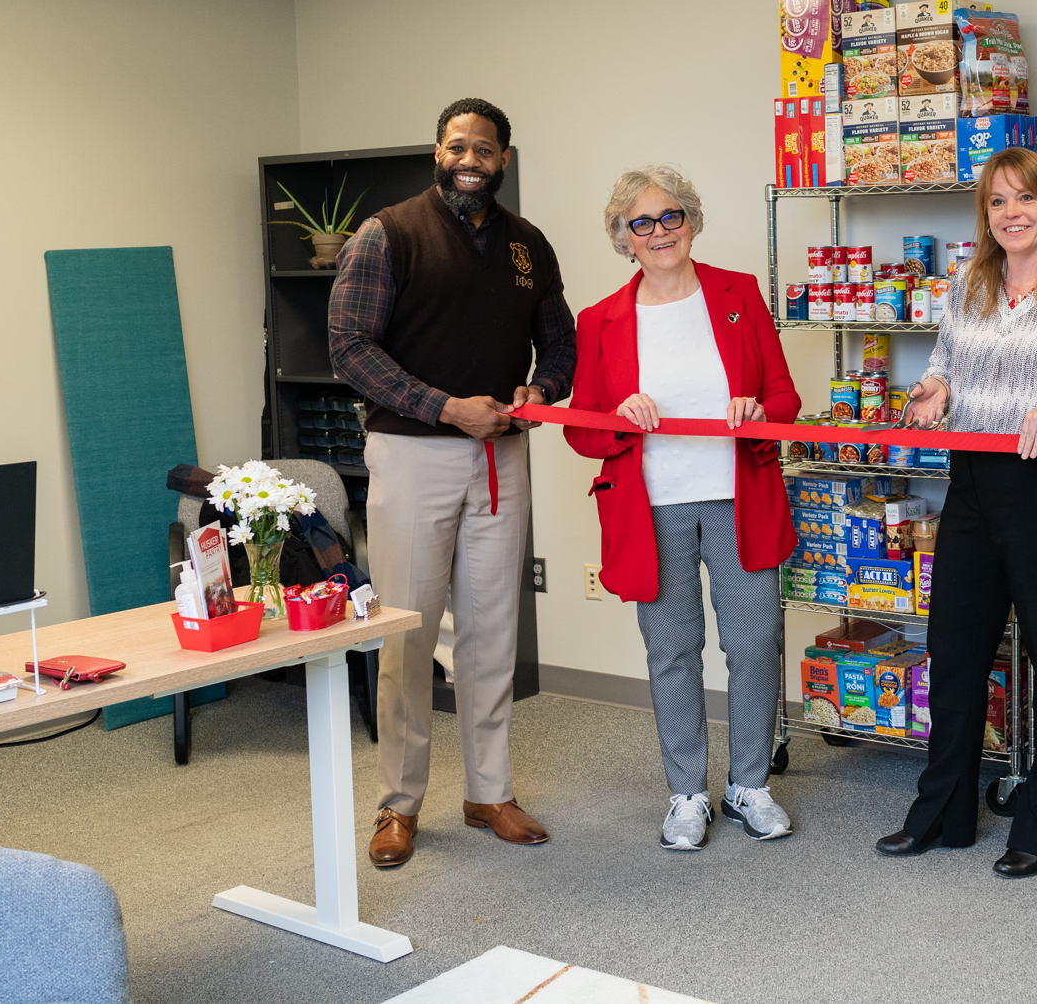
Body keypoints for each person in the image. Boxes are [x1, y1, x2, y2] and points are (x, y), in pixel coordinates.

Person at [875, 147, 1037, 878]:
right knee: (954, 654)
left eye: (1025, 198)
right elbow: (942, 364)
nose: (1012, 213)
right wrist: (933, 392)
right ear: (985, 215)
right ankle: (943, 813)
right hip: (972, 485)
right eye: (998, 201)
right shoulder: (970, 283)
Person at [328, 97, 575, 868]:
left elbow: (559, 342)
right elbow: (349, 347)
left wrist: (542, 391)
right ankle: (398, 804)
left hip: (501, 454)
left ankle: (488, 791)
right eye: (458, 145)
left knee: (492, 629)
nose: (472, 158)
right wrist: (443, 407)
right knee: (407, 631)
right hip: (414, 452)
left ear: (503, 157)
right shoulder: (387, 234)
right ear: (438, 151)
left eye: (486, 148)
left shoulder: (527, 244)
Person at [563, 165, 801, 851]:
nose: (660, 231)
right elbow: (583, 429)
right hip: (652, 507)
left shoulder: (738, 293)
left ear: (692, 221)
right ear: (623, 238)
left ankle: (750, 783)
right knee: (672, 650)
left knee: (754, 643)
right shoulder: (601, 320)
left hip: (738, 496)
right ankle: (688, 792)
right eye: (643, 222)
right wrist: (620, 417)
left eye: (673, 216)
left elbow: (784, 400)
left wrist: (758, 410)